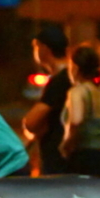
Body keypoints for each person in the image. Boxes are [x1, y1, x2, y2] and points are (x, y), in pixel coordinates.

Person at [58, 43, 100, 183]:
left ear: (75, 68)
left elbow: (76, 120)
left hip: (82, 160)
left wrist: (65, 144)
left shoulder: (77, 92)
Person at [22, 25, 72, 175]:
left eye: (36, 46)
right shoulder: (70, 76)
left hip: (58, 159)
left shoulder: (60, 81)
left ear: (44, 48)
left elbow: (31, 122)